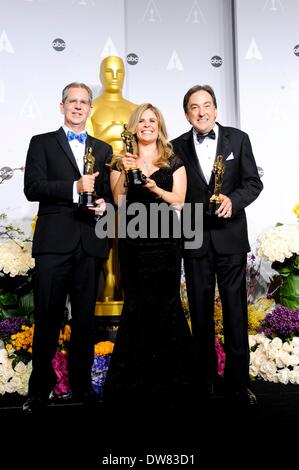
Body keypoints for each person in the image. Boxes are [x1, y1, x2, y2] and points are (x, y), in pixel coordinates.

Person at [23, 82, 112, 412]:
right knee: (46, 317)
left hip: (89, 244)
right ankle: (38, 390)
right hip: (53, 245)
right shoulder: (42, 143)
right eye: (72, 101)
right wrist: (73, 187)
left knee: (86, 321)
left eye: (84, 102)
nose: (78, 106)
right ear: (61, 106)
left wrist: (104, 207)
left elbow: (108, 198)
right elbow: (32, 187)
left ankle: (81, 388)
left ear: (91, 109)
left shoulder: (102, 150)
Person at [171, 85, 263, 405]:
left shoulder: (238, 139)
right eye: (194, 107)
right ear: (187, 114)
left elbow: (253, 182)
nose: (202, 112)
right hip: (194, 239)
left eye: (207, 105)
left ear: (216, 109)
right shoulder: (174, 147)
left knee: (235, 312)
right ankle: (206, 379)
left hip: (230, 238)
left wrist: (233, 201)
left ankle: (238, 383)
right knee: (199, 312)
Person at [103, 103, 195, 406]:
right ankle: (133, 380)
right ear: (134, 126)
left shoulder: (173, 159)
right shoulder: (121, 160)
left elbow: (179, 201)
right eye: (141, 121)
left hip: (167, 242)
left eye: (152, 120)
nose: (146, 125)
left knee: (167, 304)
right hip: (133, 242)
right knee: (137, 304)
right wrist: (127, 172)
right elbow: (118, 201)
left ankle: (174, 378)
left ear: (159, 125)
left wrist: (156, 189)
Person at [87, 55, 137, 303]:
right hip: (100, 175)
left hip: (130, 177)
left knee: (130, 230)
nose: (115, 76)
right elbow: (86, 143)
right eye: (109, 72)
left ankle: (125, 284)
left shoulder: (134, 109)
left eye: (119, 71)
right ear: (100, 75)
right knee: (105, 230)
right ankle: (107, 284)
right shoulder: (91, 107)